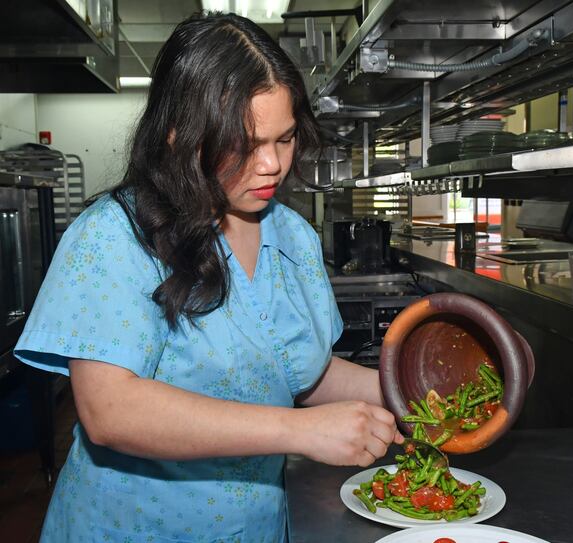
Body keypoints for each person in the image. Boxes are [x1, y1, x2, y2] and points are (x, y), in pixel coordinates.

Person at [15, 12, 403, 543]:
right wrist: (298, 431)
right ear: (180, 136)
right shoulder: (115, 234)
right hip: (137, 529)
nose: (271, 164)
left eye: (285, 139)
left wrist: (413, 386)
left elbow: (298, 370)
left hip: (256, 527)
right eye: (244, 144)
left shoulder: (293, 236)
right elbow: (110, 409)